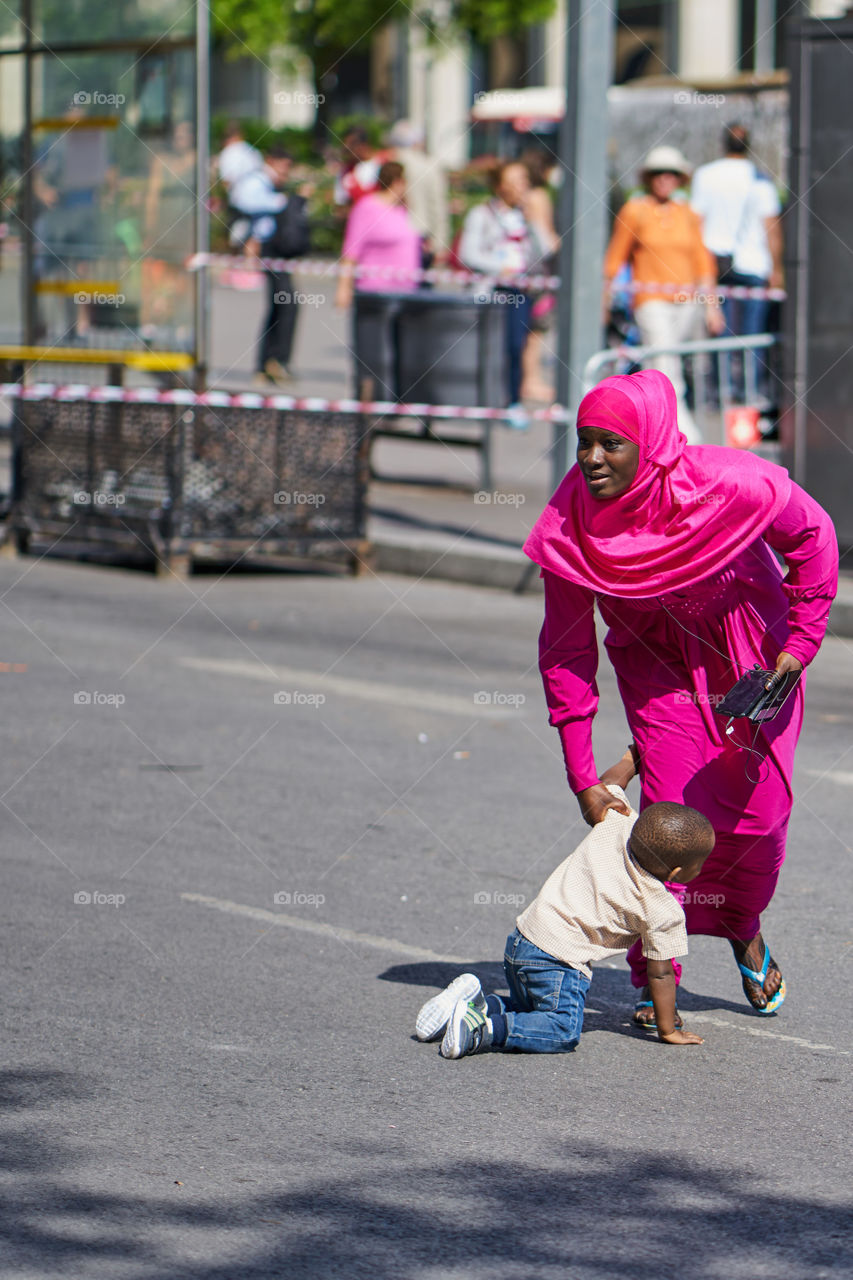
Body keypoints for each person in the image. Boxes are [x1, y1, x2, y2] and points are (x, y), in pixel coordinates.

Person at [522, 369, 838, 1026]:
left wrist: (800, 643)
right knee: (670, 825)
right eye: (582, 442)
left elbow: (813, 537)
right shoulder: (572, 518)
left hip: (755, 660)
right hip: (657, 673)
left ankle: (741, 926)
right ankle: (653, 973)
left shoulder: (729, 482)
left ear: (650, 442)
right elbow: (566, 652)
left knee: (757, 825)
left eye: (609, 443)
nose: (590, 459)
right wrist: (581, 773)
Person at [415, 750, 713, 1058]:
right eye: (701, 863)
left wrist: (633, 757)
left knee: (533, 1008)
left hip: (522, 939)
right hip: (559, 962)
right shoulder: (663, 910)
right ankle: (483, 1030)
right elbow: (661, 973)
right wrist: (668, 1030)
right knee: (562, 1028)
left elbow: (610, 781)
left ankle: (475, 1004)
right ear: (677, 873)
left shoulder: (618, 820)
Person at [603, 145, 724, 443]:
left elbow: (702, 262)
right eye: (658, 173)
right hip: (650, 301)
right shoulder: (635, 209)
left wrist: (711, 307)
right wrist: (603, 299)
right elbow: (614, 258)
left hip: (687, 303)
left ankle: (655, 429)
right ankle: (683, 435)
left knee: (678, 365)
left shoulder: (687, 214)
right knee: (664, 366)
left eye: (670, 173)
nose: (664, 179)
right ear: (649, 177)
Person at [691, 124, 783, 405]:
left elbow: (697, 223)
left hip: (715, 263)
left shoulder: (705, 175)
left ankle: (722, 391)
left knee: (720, 329)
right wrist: (777, 269)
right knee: (753, 334)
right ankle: (750, 393)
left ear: (723, 144)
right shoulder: (759, 180)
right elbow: (772, 228)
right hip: (754, 264)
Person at [457, 160, 549, 407]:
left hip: (521, 292)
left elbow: (545, 250)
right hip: (492, 291)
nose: (523, 186)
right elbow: (468, 253)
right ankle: (482, 398)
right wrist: (501, 268)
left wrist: (536, 219)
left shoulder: (525, 216)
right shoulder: (482, 214)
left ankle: (512, 400)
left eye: (524, 180)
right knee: (487, 347)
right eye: (517, 181)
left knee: (515, 346)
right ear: (501, 186)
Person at [246, 147, 310, 386]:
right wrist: (289, 200)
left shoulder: (272, 183)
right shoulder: (258, 182)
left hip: (276, 250)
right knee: (286, 303)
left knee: (279, 305)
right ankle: (274, 361)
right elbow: (245, 201)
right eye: (283, 163)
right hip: (267, 249)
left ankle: (269, 363)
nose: (286, 170)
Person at [335, 160, 421, 303]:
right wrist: (344, 287)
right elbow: (351, 249)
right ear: (398, 182)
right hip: (375, 291)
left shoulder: (402, 210)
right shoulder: (367, 207)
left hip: (406, 291)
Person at [520, 147, 560, 402]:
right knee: (537, 331)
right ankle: (531, 381)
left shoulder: (525, 196)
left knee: (529, 330)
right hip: (540, 272)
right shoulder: (540, 196)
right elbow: (546, 238)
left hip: (525, 270)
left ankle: (528, 379)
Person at [387, 119, 450, 271]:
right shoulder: (430, 166)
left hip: (389, 236)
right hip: (420, 239)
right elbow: (438, 207)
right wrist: (440, 244)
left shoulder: (385, 164)